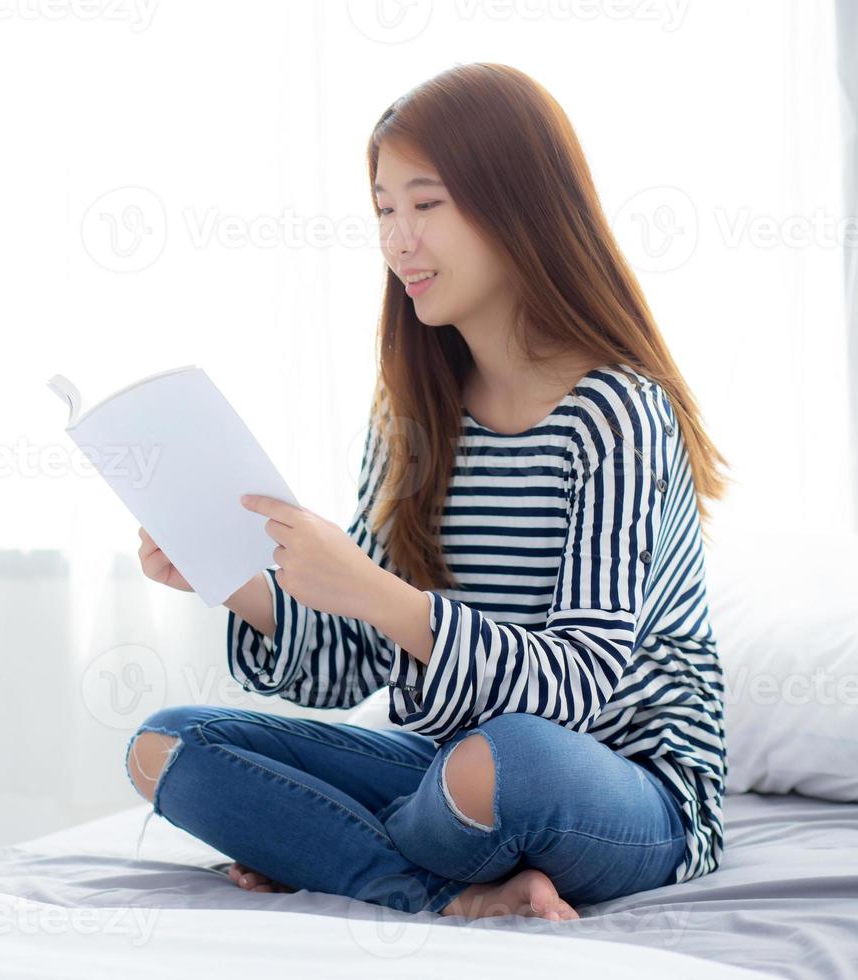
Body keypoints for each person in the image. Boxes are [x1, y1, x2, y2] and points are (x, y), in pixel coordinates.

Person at [128, 62, 729, 921]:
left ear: (518, 204)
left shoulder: (620, 413)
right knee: (167, 747)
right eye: (383, 210)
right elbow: (353, 665)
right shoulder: (414, 418)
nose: (398, 239)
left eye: (426, 203)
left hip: (621, 790)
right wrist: (241, 585)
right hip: (445, 777)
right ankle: (446, 896)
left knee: (504, 761)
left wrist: (378, 594)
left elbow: (581, 682)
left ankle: (336, 847)